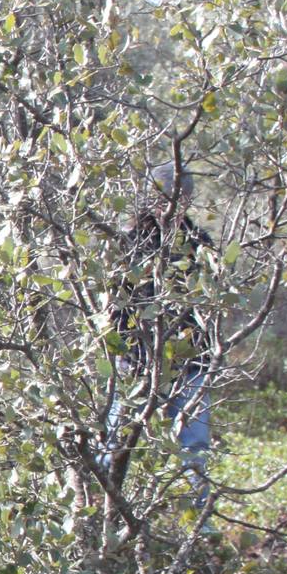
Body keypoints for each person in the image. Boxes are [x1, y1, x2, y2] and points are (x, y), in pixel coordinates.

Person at [105, 164, 215, 505]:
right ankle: (100, 517)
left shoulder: (199, 243)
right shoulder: (128, 245)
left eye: (181, 197)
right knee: (113, 445)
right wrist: (124, 357)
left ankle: (200, 523)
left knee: (194, 445)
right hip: (136, 365)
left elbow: (208, 303)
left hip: (190, 365)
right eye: (167, 196)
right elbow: (114, 311)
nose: (173, 204)